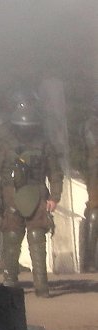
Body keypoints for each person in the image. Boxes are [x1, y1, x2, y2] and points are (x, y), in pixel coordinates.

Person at [0, 105, 62, 296]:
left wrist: (54, 196)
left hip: (37, 193)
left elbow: (55, 171)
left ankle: (42, 287)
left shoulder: (44, 144)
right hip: (10, 193)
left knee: (37, 238)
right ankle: (10, 284)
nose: (26, 130)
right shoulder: (4, 144)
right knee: (12, 238)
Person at [0, 88, 39, 272]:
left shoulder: (23, 124)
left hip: (18, 177)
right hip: (3, 175)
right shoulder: (4, 123)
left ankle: (8, 262)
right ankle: (1, 261)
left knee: (11, 221)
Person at [79, 94, 98, 271]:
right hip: (96, 170)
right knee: (95, 211)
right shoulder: (92, 123)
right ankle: (91, 260)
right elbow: (93, 146)